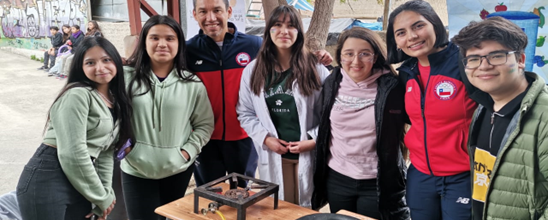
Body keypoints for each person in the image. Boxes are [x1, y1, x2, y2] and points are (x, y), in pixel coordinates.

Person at [186, 0, 332, 188]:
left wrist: (318, 56)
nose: (211, 17)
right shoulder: (188, 51)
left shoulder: (253, 45)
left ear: (229, 11)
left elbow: (286, 49)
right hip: (205, 139)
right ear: (194, 14)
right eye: (203, 11)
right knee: (209, 194)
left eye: (217, 10)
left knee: (243, 193)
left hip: (243, 139)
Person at [16, 37, 133, 220]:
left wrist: (106, 193)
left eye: (106, 60)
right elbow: (72, 153)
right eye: (90, 62)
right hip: (49, 176)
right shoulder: (77, 95)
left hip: (80, 177)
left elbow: (105, 153)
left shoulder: (115, 101)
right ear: (81, 67)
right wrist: (101, 197)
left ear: (116, 61)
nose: (100, 68)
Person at [386, 0, 477, 219]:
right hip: (420, 175)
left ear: (435, 24)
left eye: (418, 26)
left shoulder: (465, 63)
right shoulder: (407, 72)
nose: (412, 36)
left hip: (463, 175)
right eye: (401, 32)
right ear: (396, 42)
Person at [452, 16, 548, 220]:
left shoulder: (544, 115)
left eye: (496, 56)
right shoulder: (484, 108)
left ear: (520, 60)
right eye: (474, 59)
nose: (484, 66)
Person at [121, 15, 214, 220]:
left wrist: (187, 152)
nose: (162, 44)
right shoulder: (125, 77)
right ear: (144, 42)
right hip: (136, 168)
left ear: (179, 44)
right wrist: (125, 148)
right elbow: (110, 117)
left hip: (177, 169)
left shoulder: (192, 83)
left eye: (170, 38)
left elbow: (204, 124)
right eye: (154, 38)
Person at [312, 27, 409, 219]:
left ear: (375, 57)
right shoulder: (332, 81)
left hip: (377, 181)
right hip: (337, 178)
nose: (356, 61)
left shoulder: (392, 86)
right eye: (349, 54)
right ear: (339, 56)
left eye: (364, 54)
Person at [237, 5, 329, 207]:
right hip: (275, 153)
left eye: (291, 26)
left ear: (299, 31)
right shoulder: (253, 71)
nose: (284, 31)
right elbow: (245, 112)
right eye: (277, 25)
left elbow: (332, 114)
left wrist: (314, 139)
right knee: (280, 209)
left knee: (308, 209)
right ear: (268, 30)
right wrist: (265, 138)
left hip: (308, 152)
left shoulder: (316, 68)